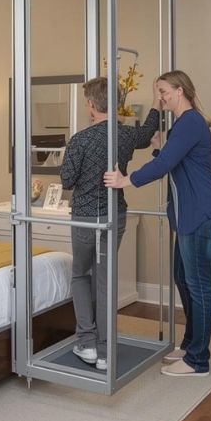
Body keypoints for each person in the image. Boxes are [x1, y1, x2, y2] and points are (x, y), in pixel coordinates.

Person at [104, 70, 211, 378]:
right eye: (157, 92)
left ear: (179, 91)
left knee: (198, 285)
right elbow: (177, 161)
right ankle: (190, 345)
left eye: (162, 91)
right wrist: (162, 145)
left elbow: (164, 166)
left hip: (201, 212)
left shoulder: (190, 122)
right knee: (183, 278)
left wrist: (125, 180)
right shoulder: (183, 125)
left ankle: (198, 360)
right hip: (190, 214)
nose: (159, 97)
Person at [60, 77, 160, 371]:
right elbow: (148, 131)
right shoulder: (125, 136)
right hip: (115, 215)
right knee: (104, 279)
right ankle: (105, 351)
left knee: (80, 275)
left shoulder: (80, 139)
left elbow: (67, 180)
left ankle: (87, 343)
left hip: (85, 217)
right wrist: (156, 99)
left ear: (91, 105)